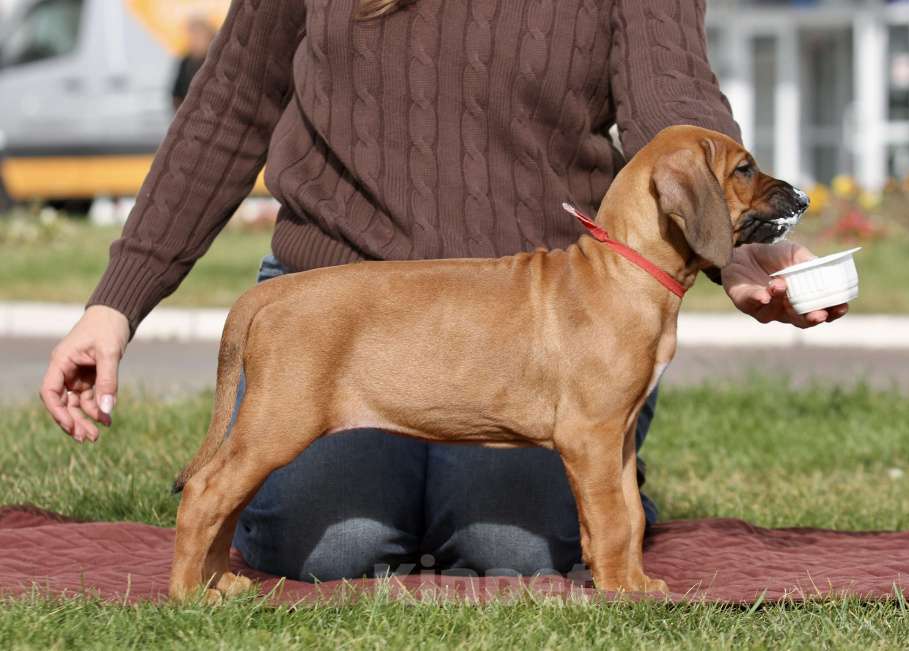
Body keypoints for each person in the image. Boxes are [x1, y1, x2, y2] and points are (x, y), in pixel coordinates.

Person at [41, 0, 847, 582]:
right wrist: (117, 302)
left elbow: (675, 115)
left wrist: (731, 250)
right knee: (332, 547)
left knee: (514, 552)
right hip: (342, 303)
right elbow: (230, 103)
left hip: (532, 322)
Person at [170, 18, 216, 112]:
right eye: (191, 36)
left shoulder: (216, 60)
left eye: (198, 35)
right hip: (188, 114)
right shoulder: (185, 61)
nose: (194, 40)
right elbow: (176, 94)